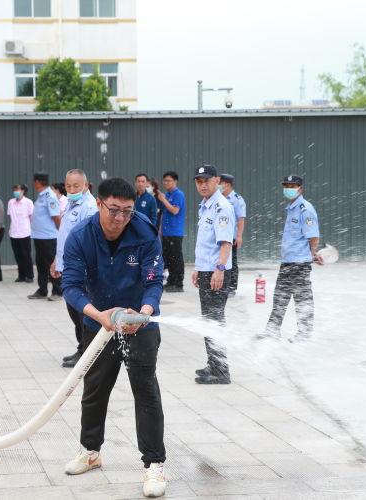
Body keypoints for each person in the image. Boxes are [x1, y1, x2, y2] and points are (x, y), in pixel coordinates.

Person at [61, 177, 166, 498]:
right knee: (94, 389)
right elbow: (71, 287)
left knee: (145, 391)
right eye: (114, 210)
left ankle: (154, 466)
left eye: (127, 211)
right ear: (99, 203)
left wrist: (144, 312)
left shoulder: (145, 232)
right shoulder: (80, 236)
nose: (120, 218)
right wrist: (99, 316)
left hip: (140, 324)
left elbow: (153, 282)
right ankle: (90, 451)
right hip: (99, 325)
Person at [260, 175, 322, 341]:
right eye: (286, 185)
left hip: (300, 262)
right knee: (280, 296)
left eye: (292, 186)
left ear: (300, 188)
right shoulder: (292, 207)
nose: (288, 188)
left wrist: (313, 254)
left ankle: (304, 334)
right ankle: (272, 331)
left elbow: (313, 236)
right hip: (288, 261)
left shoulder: (305, 209)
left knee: (302, 298)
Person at [191, 164, 235, 385]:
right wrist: (199, 268)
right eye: (199, 181)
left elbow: (225, 241)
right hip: (207, 271)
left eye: (206, 180)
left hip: (217, 272)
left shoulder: (222, 207)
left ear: (217, 180)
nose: (203, 185)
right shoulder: (206, 206)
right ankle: (214, 363)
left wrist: (219, 268)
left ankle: (221, 371)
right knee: (208, 320)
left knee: (214, 321)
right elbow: (206, 243)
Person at [50, 169, 98, 368]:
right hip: (68, 266)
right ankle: (82, 347)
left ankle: (88, 353)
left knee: (82, 312)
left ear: (85, 185)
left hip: (81, 269)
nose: (71, 189)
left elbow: (88, 240)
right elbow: (64, 237)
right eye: (68, 186)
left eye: (76, 186)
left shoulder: (89, 207)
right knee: (74, 311)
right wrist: (57, 261)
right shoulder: (70, 204)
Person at [29, 172, 63, 300]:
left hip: (49, 237)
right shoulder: (42, 196)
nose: (33, 184)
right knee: (41, 265)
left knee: (52, 264)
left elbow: (56, 216)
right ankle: (42, 290)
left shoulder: (50, 196)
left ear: (38, 182)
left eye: (34, 181)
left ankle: (57, 291)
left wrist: (61, 233)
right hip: (39, 237)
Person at [155, 171, 186, 292]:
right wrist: (160, 230)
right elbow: (163, 213)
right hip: (166, 232)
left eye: (169, 180)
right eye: (165, 181)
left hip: (175, 232)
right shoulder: (167, 194)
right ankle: (171, 281)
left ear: (175, 181)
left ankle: (179, 283)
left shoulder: (178, 195)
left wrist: (163, 200)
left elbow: (174, 210)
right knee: (168, 258)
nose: (166, 183)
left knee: (176, 258)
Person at [219, 174, 246, 297]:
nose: (218, 185)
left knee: (232, 262)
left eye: (220, 183)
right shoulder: (219, 197)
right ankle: (222, 283)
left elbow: (241, 219)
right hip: (221, 235)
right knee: (222, 260)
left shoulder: (237, 199)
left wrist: (239, 236)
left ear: (228, 184)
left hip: (232, 236)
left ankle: (231, 287)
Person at [7, 184, 34, 283]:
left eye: (18, 190)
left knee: (26, 255)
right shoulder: (11, 202)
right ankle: (21, 275)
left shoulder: (28, 202)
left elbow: (32, 218)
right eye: (14, 190)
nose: (16, 192)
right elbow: (11, 216)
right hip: (14, 232)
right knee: (17, 255)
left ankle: (29, 275)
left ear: (23, 191)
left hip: (25, 232)